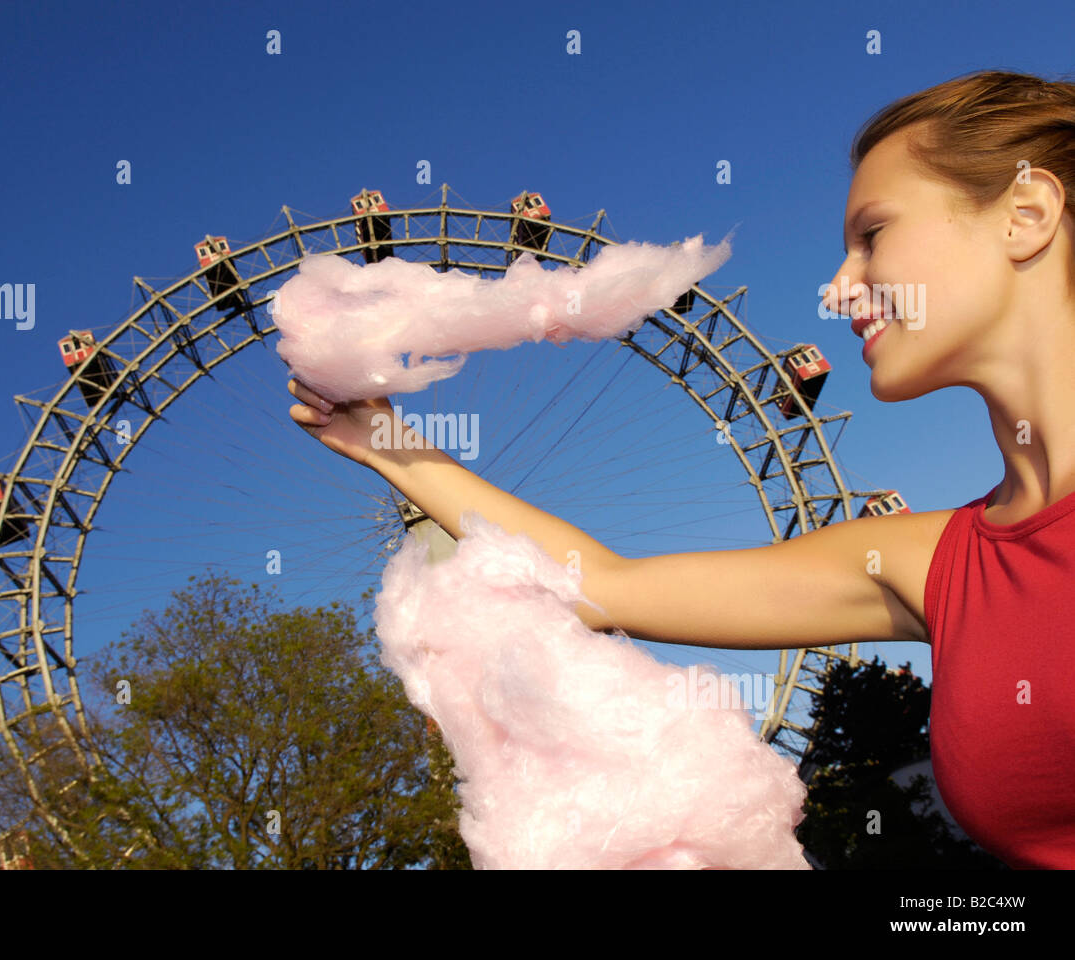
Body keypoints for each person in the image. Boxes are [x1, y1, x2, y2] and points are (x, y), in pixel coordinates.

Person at [286, 69, 1075, 869]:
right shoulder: (938, 562)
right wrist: (381, 440)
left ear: (1025, 214)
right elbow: (604, 585)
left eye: (872, 235)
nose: (838, 290)